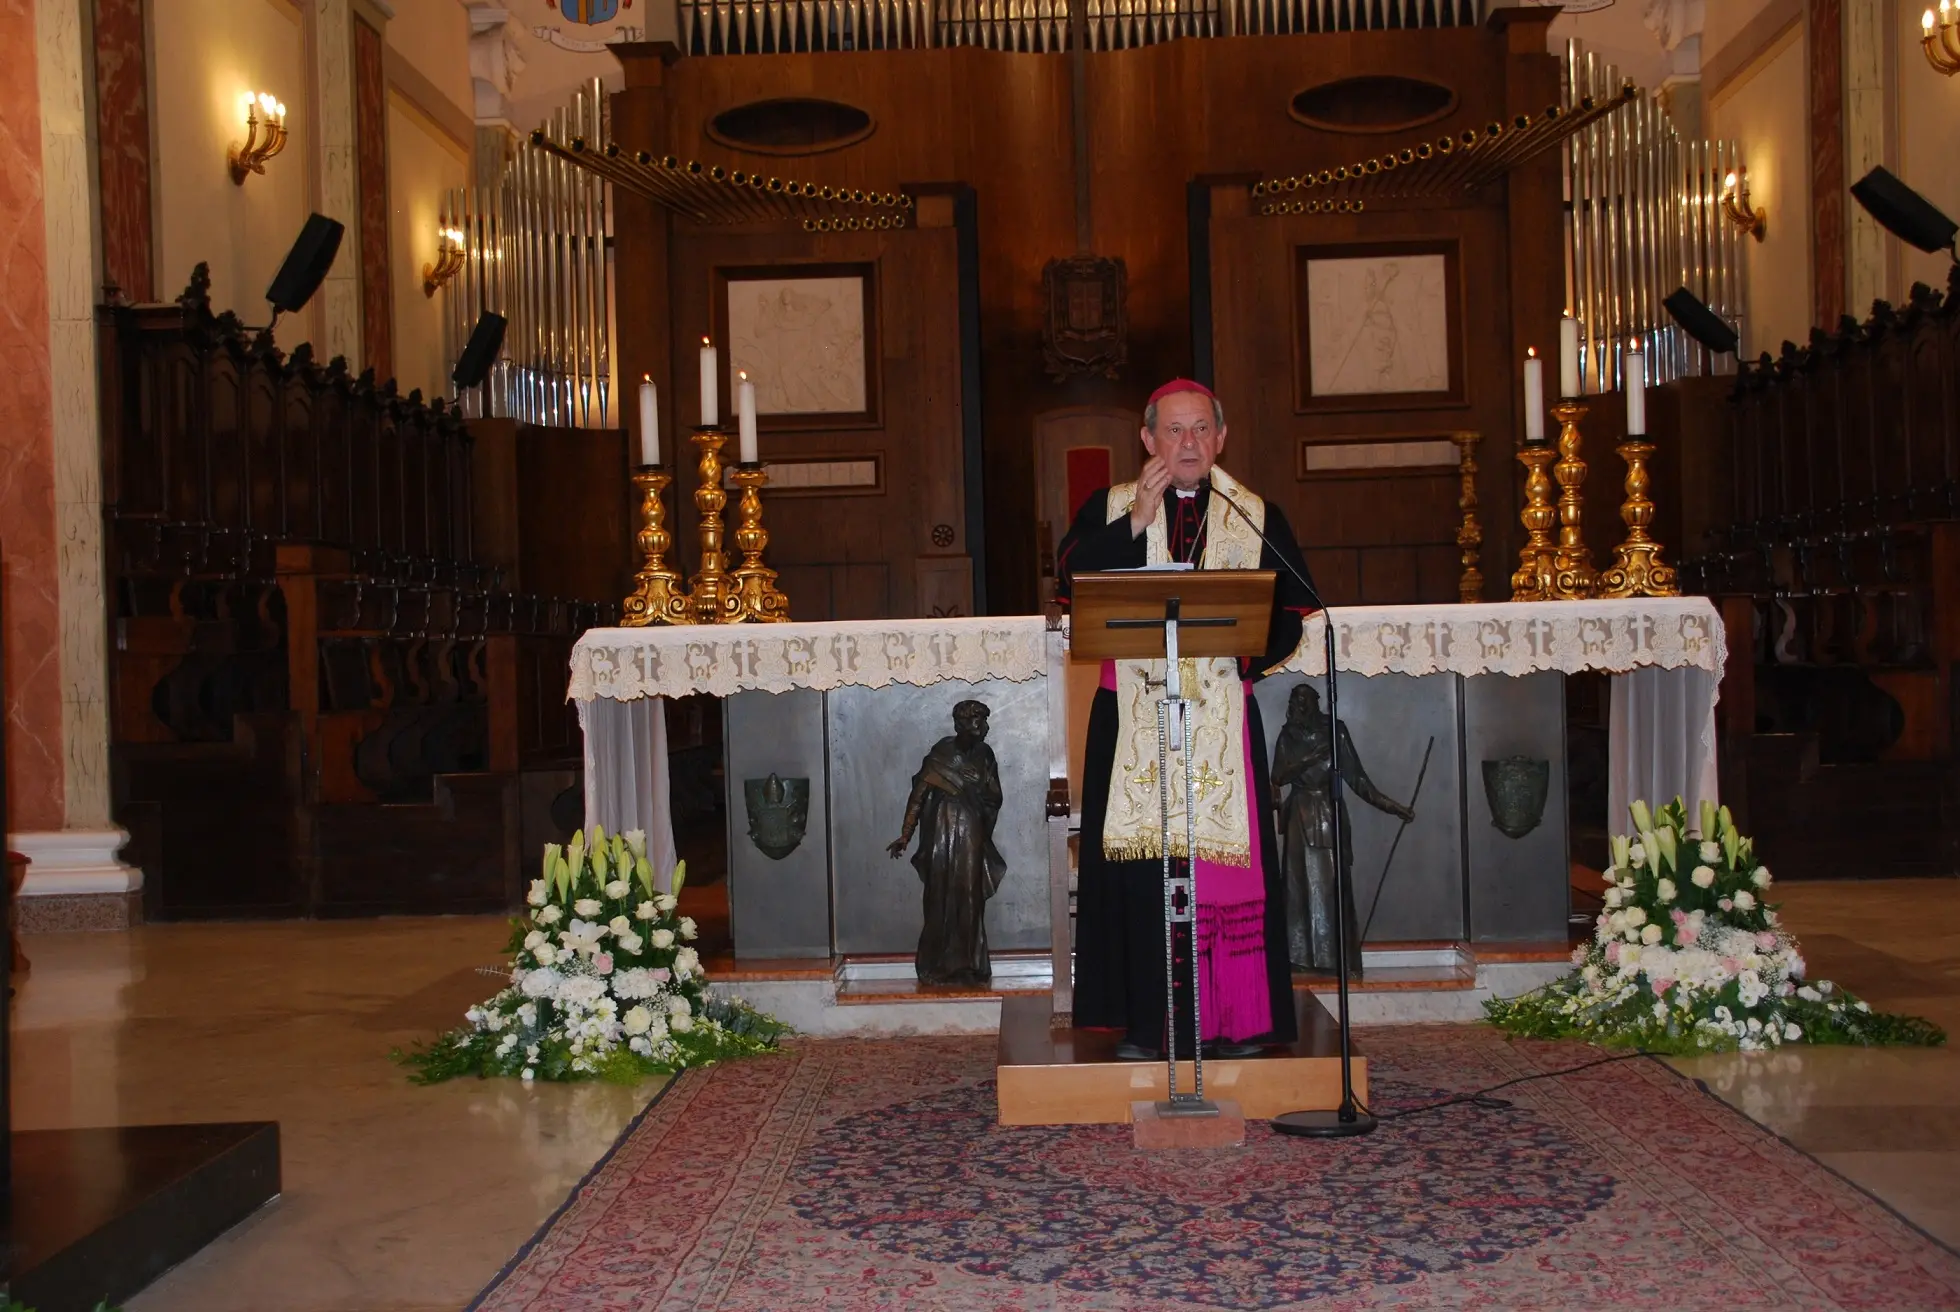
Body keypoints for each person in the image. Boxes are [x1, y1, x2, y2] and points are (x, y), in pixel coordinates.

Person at [1055, 379, 1317, 1061]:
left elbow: (1291, 613)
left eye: (1201, 428)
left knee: (1219, 867)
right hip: (1131, 717)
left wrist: (1243, 657)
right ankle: (1149, 1024)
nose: (1189, 442)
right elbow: (1070, 577)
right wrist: (1137, 521)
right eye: (1174, 430)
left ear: (1221, 438)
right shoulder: (1111, 507)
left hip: (1219, 715)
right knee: (1142, 869)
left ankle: (1233, 1021)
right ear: (1148, 439)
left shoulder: (1254, 515)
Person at [1271, 682, 1414, 976]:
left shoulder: (1335, 731)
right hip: (1299, 816)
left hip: (1327, 812)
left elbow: (1357, 779)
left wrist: (1393, 807)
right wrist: (1310, 758)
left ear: (1315, 703)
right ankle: (1298, 959)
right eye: (1294, 701)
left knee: (1331, 887)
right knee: (1297, 890)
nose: (1298, 707)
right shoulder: (1288, 734)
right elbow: (1278, 776)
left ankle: (1335, 959)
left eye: (1303, 701)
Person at [886, 700, 1007, 987]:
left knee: (969, 896)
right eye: (979, 721)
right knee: (938, 895)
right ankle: (936, 965)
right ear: (961, 724)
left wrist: (978, 785)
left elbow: (995, 797)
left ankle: (971, 965)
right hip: (940, 829)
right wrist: (906, 834)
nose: (985, 727)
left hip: (971, 831)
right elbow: (918, 795)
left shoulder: (985, 755)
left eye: (984, 721)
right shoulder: (941, 753)